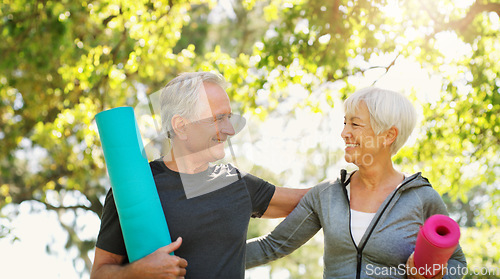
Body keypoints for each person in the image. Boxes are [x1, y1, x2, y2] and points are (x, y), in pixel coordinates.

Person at [91, 72, 309, 279]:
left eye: (229, 118)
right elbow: (99, 273)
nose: (230, 130)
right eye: (219, 118)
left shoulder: (236, 183)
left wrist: (343, 179)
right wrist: (136, 272)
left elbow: (312, 201)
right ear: (181, 126)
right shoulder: (135, 188)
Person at [246, 87, 467, 279]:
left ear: (389, 135)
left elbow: (457, 264)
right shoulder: (326, 194)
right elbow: (272, 246)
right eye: (344, 123)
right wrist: (213, 257)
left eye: (355, 124)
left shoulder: (422, 198)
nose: (344, 133)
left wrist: (432, 277)